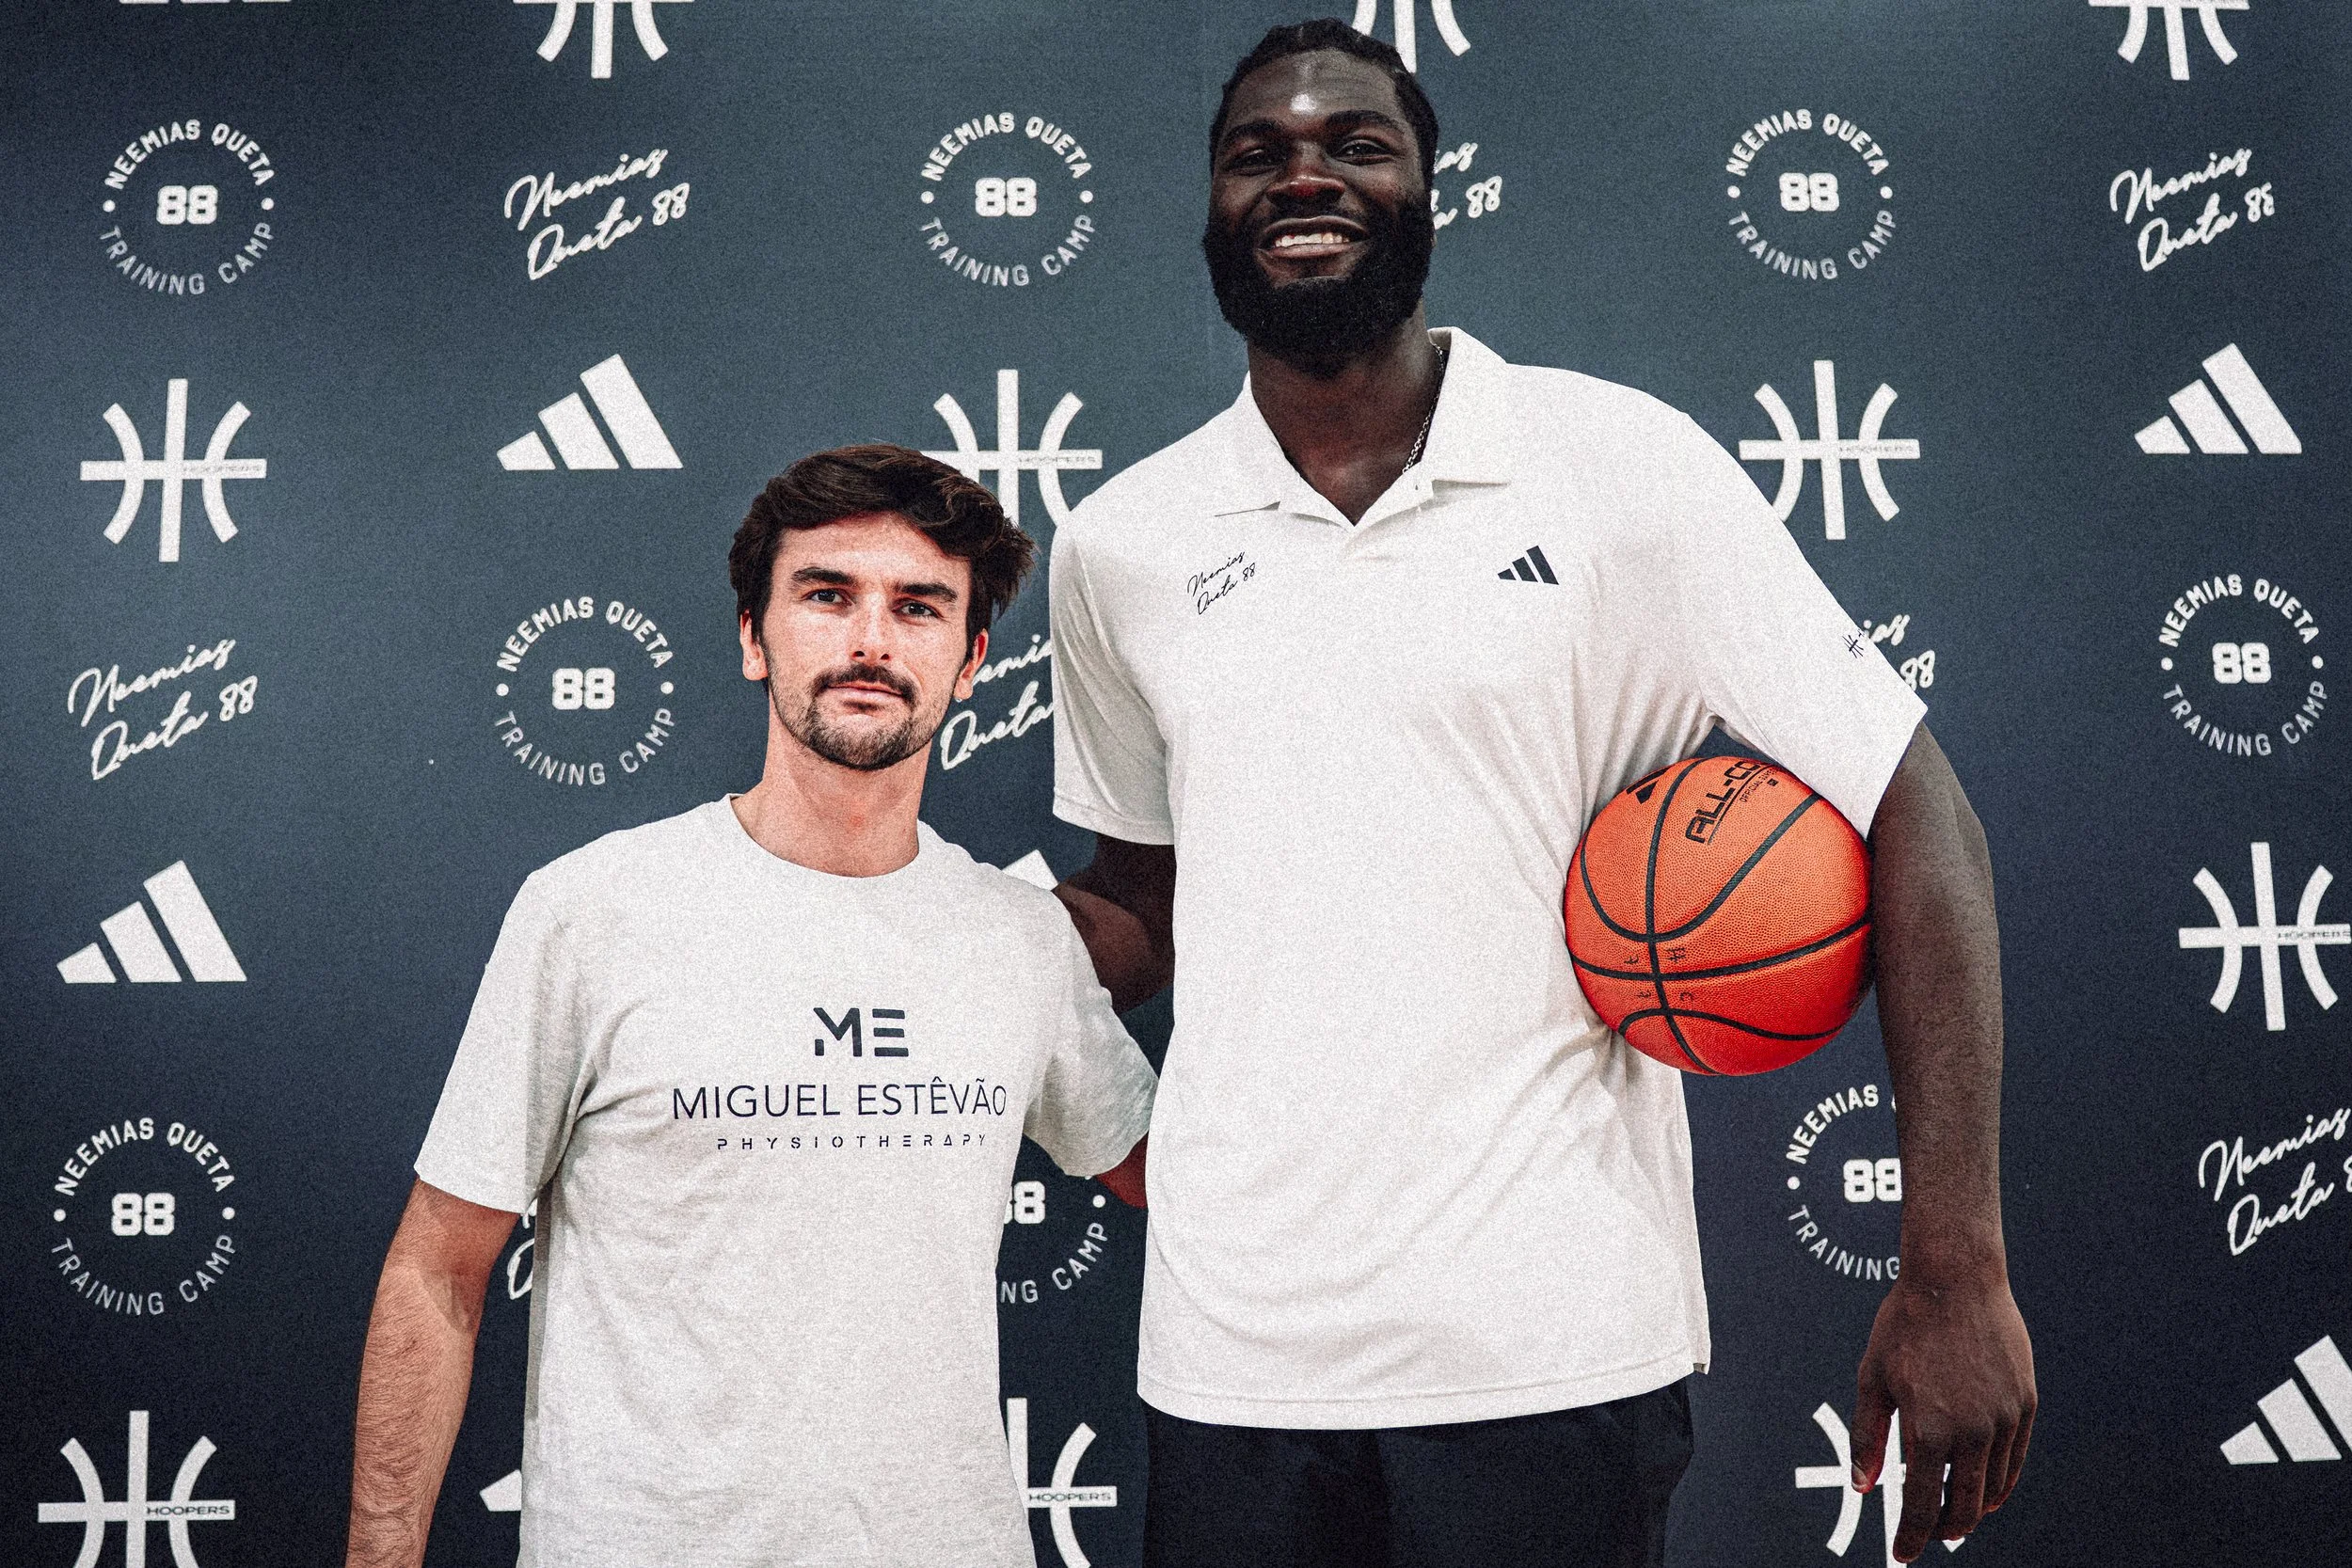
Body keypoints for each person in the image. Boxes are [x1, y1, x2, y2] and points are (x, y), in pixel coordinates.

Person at [1046, 20, 2034, 1568]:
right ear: (1212, 211)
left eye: (1356, 143)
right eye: (1257, 153)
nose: (1304, 174)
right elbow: (1146, 900)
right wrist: (931, 935)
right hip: (1232, 1355)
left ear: (1430, 194)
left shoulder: (1627, 467)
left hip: (1552, 1340)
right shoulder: (1124, 544)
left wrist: (1955, 1266)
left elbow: (1923, 817)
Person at [343, 445, 1155, 1568]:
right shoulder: (593, 909)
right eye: (827, 594)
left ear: (971, 661)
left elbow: (1179, 1182)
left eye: (918, 606)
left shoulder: (1020, 938)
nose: (871, 639)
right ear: (752, 636)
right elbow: (437, 1269)